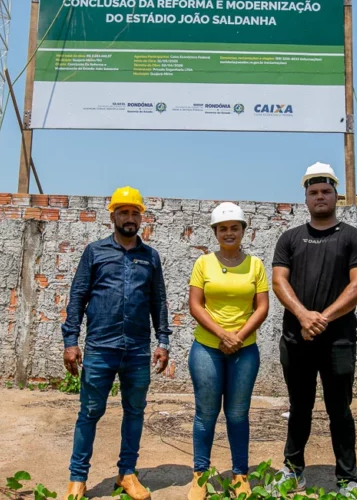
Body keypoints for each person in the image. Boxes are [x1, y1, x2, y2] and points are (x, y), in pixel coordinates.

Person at [270, 163, 357, 497]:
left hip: (338, 342)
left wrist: (321, 319)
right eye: (313, 192)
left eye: (326, 191)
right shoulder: (290, 238)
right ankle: (293, 471)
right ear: (305, 198)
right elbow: (279, 281)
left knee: (339, 411)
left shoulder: (354, 238)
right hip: (296, 339)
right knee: (299, 407)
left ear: (335, 195)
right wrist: (303, 316)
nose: (320, 197)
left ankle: (347, 479)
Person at [61, 186, 171, 500]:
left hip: (137, 349)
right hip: (100, 348)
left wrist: (163, 341)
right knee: (89, 412)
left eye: (135, 212)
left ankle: (127, 473)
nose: (130, 218)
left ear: (142, 218)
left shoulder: (150, 257)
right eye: (123, 212)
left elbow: (158, 302)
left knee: (134, 411)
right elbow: (77, 298)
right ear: (112, 216)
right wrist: (71, 341)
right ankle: (77, 478)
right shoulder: (95, 252)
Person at [186, 202, 270, 500]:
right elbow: (195, 305)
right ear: (215, 232)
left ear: (244, 231)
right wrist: (222, 334)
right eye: (223, 228)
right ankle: (200, 475)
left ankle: (240, 475)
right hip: (206, 349)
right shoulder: (203, 263)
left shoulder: (255, 265)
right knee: (205, 414)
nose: (229, 233)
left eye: (235, 227)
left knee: (237, 414)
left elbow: (262, 307)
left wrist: (239, 337)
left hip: (244, 351)